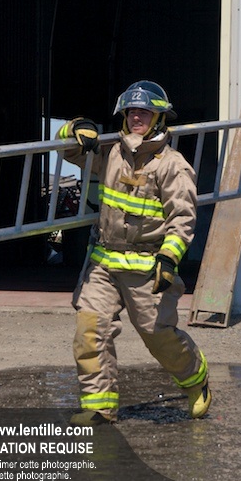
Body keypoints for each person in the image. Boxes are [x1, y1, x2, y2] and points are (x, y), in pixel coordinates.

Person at [56, 80, 211, 426]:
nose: (136, 117)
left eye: (144, 112)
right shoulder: (111, 152)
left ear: (159, 117)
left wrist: (169, 258)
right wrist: (77, 127)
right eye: (131, 111)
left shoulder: (172, 165)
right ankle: (99, 407)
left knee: (158, 337)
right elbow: (69, 150)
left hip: (149, 266)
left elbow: (183, 218)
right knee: (90, 330)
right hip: (104, 263)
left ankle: (195, 378)